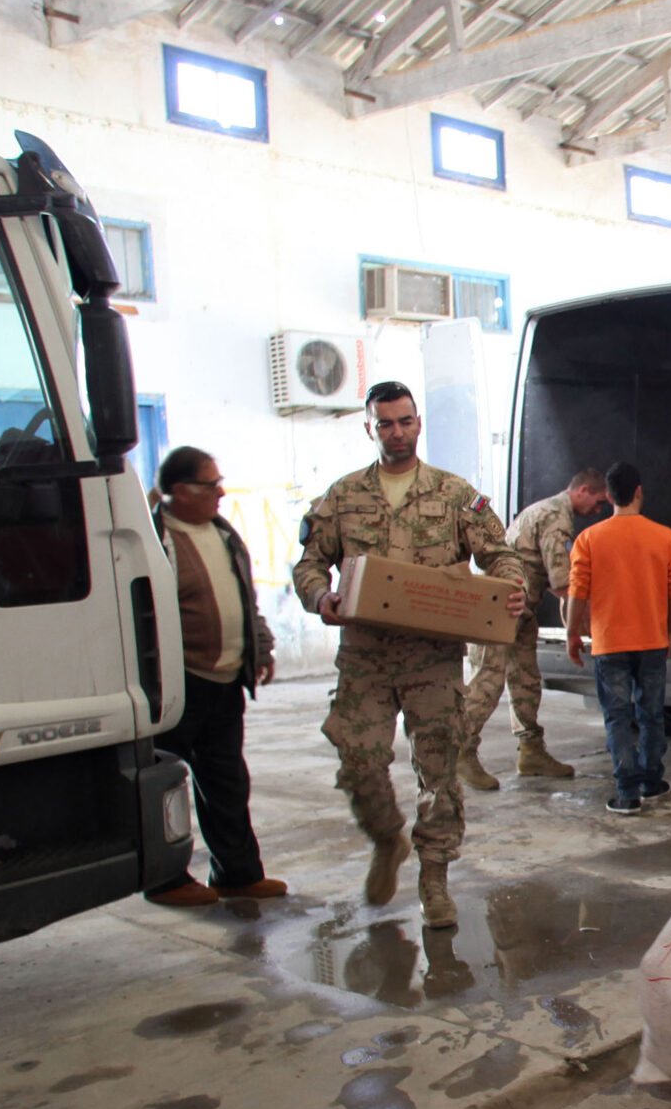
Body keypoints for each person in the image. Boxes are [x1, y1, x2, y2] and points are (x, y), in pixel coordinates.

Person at [292, 381, 526, 930]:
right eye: (384, 423)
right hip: (365, 656)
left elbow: (500, 554)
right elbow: (308, 565)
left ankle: (434, 879)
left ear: (418, 423)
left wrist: (510, 586)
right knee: (358, 759)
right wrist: (320, 598)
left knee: (439, 771)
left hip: (432, 658)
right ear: (369, 427)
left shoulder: (453, 494)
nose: (396, 432)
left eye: (405, 421)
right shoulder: (342, 497)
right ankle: (386, 837)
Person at [146, 446, 283, 906]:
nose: (221, 492)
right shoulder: (152, 539)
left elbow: (245, 598)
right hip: (178, 685)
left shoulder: (223, 534)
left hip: (226, 684)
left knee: (227, 782)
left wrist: (259, 646)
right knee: (165, 785)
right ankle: (166, 879)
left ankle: (236, 873)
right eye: (211, 484)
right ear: (180, 491)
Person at [460, 467, 609, 789]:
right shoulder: (556, 517)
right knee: (486, 684)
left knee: (525, 679)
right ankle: (459, 752)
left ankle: (531, 751)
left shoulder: (546, 510)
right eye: (597, 502)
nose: (597, 511)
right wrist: (582, 631)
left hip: (521, 611)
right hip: (499, 610)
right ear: (582, 490)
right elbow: (564, 585)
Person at [564, 462, 671, 816]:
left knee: (617, 718)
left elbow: (578, 591)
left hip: (609, 645)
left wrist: (573, 633)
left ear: (608, 495)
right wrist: (670, 630)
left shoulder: (589, 539)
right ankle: (652, 782)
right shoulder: (665, 536)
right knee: (651, 716)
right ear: (638, 492)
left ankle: (627, 794)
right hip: (652, 642)